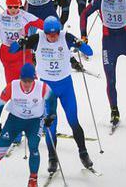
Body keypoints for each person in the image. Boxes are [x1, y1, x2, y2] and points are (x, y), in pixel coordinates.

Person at [16, 17, 96, 176]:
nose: (53, 37)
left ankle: (83, 153)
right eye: (49, 34)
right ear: (44, 32)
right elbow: (12, 50)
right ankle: (52, 157)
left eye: (55, 34)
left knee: (73, 120)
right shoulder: (37, 39)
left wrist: (80, 44)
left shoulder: (66, 37)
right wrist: (20, 43)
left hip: (65, 86)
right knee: (50, 124)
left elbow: (89, 52)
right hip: (47, 88)